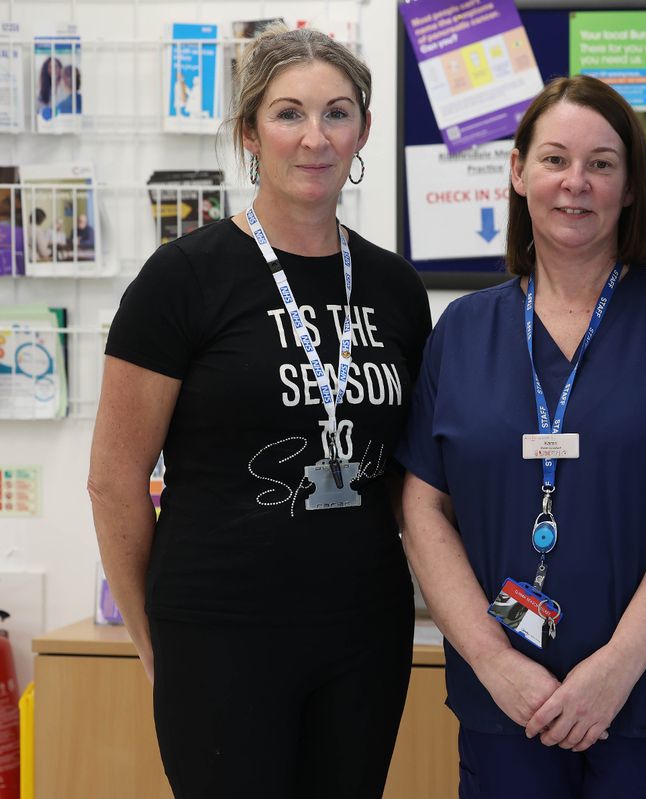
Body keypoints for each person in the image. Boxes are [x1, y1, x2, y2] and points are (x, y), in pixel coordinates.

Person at [89, 26, 430, 799]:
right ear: (249, 133)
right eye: (288, 114)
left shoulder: (396, 288)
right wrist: (153, 638)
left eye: (338, 113)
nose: (315, 138)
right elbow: (114, 479)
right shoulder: (183, 278)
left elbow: (411, 476)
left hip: (363, 634)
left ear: (363, 131)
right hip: (218, 633)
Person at [397, 74, 646, 798]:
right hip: (508, 703)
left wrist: (618, 665)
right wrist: (496, 662)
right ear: (519, 171)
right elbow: (420, 509)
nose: (575, 183)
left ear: (630, 188)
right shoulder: (462, 332)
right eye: (555, 159)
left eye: (602, 163)